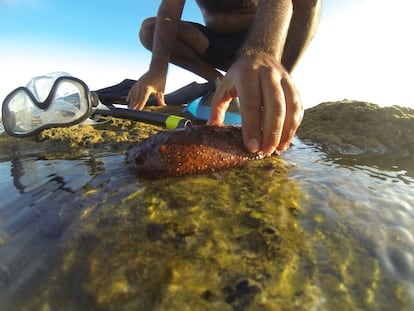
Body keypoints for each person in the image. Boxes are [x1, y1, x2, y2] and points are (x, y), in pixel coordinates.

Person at [127, 0, 321, 155]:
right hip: (214, 44)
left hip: (261, 35)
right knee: (149, 30)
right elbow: (169, 8)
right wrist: (157, 69)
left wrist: (263, 51)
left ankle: (272, 82)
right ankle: (217, 81)